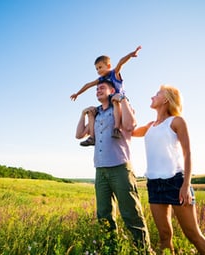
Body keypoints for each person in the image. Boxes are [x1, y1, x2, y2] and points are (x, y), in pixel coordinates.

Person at [76, 80, 153, 254]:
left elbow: (131, 125)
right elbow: (79, 134)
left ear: (112, 90)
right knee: (103, 214)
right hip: (100, 169)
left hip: (120, 167)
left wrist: (123, 99)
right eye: (96, 89)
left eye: (102, 88)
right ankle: (110, 249)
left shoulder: (119, 107)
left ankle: (144, 251)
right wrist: (83, 114)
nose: (98, 91)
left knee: (130, 213)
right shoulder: (97, 115)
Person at [132, 85, 205, 254]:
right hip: (154, 184)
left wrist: (186, 185)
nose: (152, 97)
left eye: (157, 94)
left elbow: (188, 154)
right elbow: (129, 132)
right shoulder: (150, 126)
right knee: (164, 236)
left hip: (176, 182)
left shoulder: (176, 121)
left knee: (193, 234)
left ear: (166, 99)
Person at [71, 46, 141, 146]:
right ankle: (92, 137)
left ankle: (116, 128)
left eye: (100, 67)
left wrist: (131, 55)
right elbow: (88, 84)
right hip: (108, 103)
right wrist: (77, 93)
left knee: (114, 100)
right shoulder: (101, 79)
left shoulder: (114, 73)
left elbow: (121, 62)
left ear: (108, 66)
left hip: (119, 100)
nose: (98, 71)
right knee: (91, 112)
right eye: (96, 69)